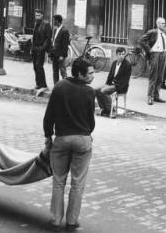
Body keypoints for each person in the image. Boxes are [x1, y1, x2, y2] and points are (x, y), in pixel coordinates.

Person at [43, 59, 96, 232]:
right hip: (82, 140)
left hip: (62, 138)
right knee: (77, 183)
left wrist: (47, 136)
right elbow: (91, 122)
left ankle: (56, 219)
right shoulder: (89, 92)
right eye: (90, 73)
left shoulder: (60, 86)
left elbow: (49, 115)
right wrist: (86, 133)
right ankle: (72, 220)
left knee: (58, 181)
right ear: (79, 74)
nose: (93, 76)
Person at [139, 17, 166, 105]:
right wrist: (149, 49)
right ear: (158, 24)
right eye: (162, 23)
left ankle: (156, 95)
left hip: (163, 54)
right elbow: (141, 40)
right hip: (155, 54)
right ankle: (150, 96)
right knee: (153, 76)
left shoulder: (165, 33)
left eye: (164, 23)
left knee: (160, 76)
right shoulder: (153, 32)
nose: (164, 25)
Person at [95, 47, 131, 117]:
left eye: (123, 54)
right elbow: (110, 75)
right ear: (116, 55)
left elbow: (126, 80)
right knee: (96, 90)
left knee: (103, 90)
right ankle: (104, 109)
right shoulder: (114, 63)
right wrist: (107, 84)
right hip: (112, 84)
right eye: (120, 54)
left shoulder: (127, 65)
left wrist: (116, 87)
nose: (121, 56)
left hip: (120, 86)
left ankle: (111, 110)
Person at [31, 9, 52, 95]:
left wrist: (43, 48)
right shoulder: (36, 24)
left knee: (39, 66)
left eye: (39, 15)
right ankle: (38, 84)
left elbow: (48, 38)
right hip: (35, 48)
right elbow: (34, 36)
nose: (37, 17)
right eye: (36, 15)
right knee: (35, 67)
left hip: (41, 48)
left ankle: (44, 85)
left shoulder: (46, 24)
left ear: (42, 15)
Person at [50, 14, 70, 85]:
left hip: (60, 56)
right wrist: (51, 54)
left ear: (57, 21)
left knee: (63, 72)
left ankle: (66, 87)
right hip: (55, 55)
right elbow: (54, 42)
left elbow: (65, 45)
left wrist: (62, 55)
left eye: (54, 21)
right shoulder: (56, 30)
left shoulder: (65, 31)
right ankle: (56, 86)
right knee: (55, 71)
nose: (53, 22)